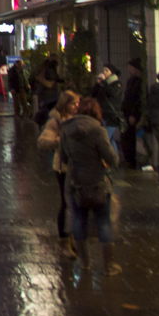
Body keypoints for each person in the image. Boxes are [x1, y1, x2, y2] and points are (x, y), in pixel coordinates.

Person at [59, 97, 120, 275]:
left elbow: (63, 157)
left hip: (76, 182)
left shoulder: (66, 129)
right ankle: (109, 266)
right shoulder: (97, 129)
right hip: (98, 182)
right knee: (103, 222)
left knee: (79, 220)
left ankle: (85, 264)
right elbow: (111, 158)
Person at [37, 90, 81, 258]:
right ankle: (65, 240)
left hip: (80, 166)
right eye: (73, 103)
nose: (76, 106)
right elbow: (42, 142)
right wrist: (59, 141)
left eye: (78, 103)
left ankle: (76, 237)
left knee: (78, 202)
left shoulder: (81, 118)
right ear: (65, 104)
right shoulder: (56, 120)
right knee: (67, 203)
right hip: (63, 167)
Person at [92, 64, 124, 160]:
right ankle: (114, 159)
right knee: (110, 139)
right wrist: (98, 84)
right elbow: (94, 94)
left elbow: (112, 93)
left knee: (105, 138)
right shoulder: (103, 84)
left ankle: (109, 159)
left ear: (112, 73)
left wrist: (104, 83)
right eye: (103, 70)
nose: (104, 73)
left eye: (106, 70)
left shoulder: (116, 84)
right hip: (103, 114)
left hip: (112, 115)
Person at [121, 59, 143, 169]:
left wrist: (134, 114)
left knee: (132, 136)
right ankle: (130, 159)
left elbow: (137, 99)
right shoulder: (131, 81)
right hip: (128, 113)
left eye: (131, 67)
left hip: (133, 114)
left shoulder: (139, 82)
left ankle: (133, 160)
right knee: (127, 136)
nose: (129, 69)